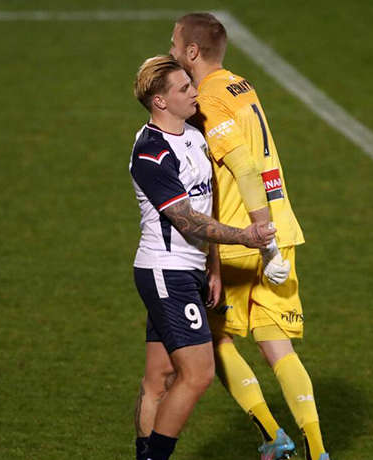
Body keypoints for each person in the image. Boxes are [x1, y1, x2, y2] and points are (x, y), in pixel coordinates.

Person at [169, 13, 330, 460]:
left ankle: (273, 436)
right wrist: (276, 238)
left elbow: (241, 167)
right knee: (276, 347)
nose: (170, 51)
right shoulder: (242, 84)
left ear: (192, 52)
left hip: (246, 235)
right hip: (283, 225)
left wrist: (257, 240)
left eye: (174, 44)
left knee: (214, 342)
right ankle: (318, 452)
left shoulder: (208, 100)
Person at [129, 55, 277, 460]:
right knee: (198, 375)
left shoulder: (194, 135)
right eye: (184, 89)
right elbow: (188, 221)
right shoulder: (151, 154)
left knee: (159, 376)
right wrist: (245, 237)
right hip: (165, 272)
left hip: (190, 271)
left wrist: (213, 267)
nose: (195, 92)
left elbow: (206, 205)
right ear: (160, 101)